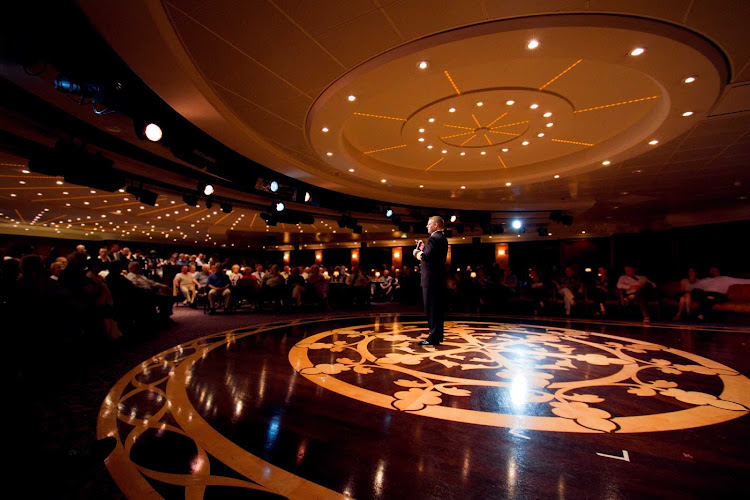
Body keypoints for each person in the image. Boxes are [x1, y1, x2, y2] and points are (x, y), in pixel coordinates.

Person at [413, 216, 449, 346]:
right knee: (436, 310)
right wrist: (424, 248)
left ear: (435, 225)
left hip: (431, 280)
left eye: (429, 224)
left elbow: (427, 258)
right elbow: (432, 256)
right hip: (437, 279)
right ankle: (437, 336)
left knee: (432, 310)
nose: (427, 226)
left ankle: (433, 337)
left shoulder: (434, 238)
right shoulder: (441, 238)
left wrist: (416, 253)